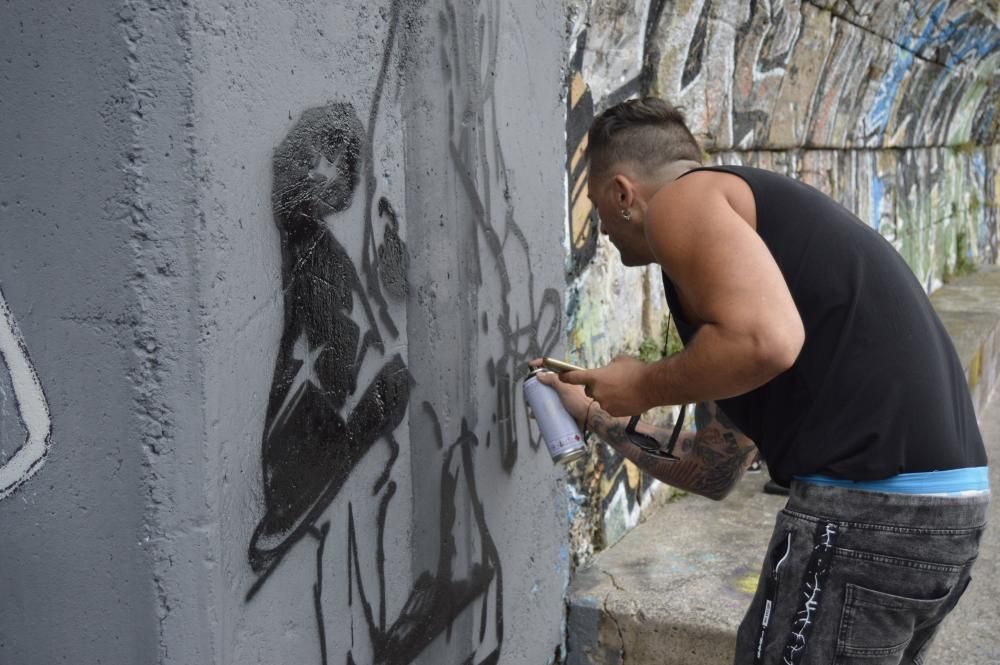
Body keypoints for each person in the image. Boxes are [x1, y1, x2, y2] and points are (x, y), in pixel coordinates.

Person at [535, 97, 989, 664]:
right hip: (946, 517)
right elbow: (713, 468)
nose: (600, 229)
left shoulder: (684, 200)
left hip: (867, 513)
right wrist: (592, 414)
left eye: (597, 201)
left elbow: (767, 341)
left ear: (623, 193)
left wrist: (644, 383)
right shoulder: (759, 260)